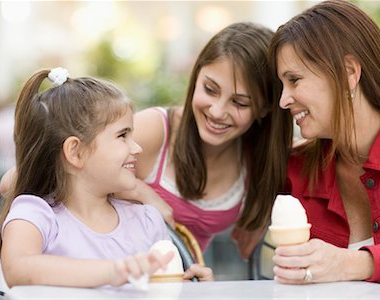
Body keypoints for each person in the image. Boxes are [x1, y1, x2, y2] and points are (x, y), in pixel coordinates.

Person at [269, 0, 380, 286]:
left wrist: (358, 262)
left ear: (348, 73)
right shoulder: (298, 169)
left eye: (294, 80)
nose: (283, 100)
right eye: (282, 85)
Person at [0, 68, 212, 289]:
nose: (137, 148)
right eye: (122, 135)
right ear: (76, 152)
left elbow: (164, 288)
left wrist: (194, 288)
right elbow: (17, 269)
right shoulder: (36, 215)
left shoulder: (147, 221)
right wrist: (112, 271)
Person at [118, 22, 293, 258]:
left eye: (240, 103)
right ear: (196, 76)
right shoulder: (154, 129)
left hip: (182, 284)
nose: (218, 111)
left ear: (265, 108)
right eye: (210, 89)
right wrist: (143, 193)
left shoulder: (258, 161)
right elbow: (84, 166)